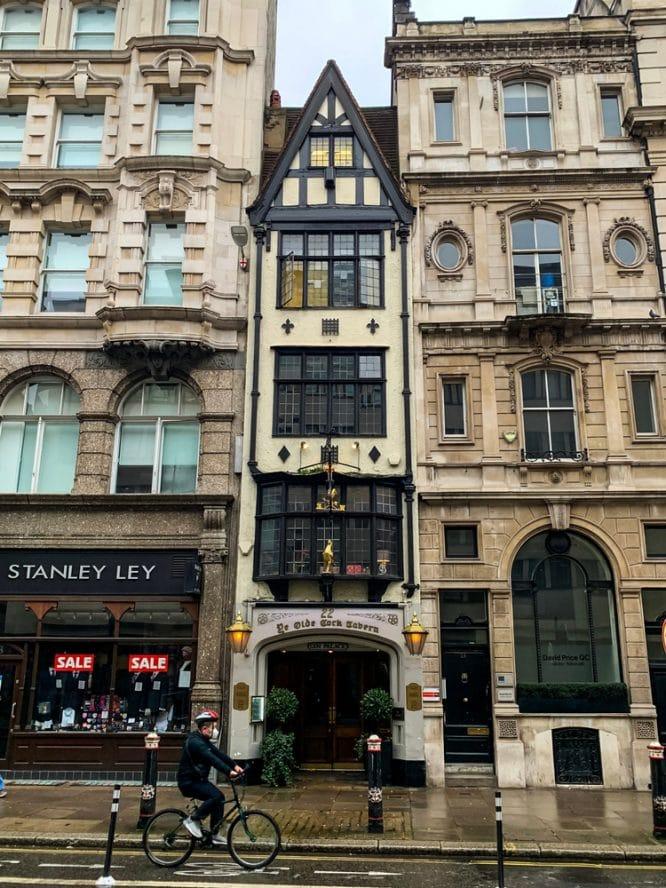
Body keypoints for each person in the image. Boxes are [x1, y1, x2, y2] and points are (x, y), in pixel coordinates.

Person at [177, 710, 243, 844]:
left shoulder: (203, 740)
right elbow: (212, 759)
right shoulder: (196, 742)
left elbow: (218, 754)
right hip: (188, 782)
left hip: (198, 780)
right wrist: (228, 771)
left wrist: (235, 766)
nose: (215, 730)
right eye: (213, 727)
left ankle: (214, 834)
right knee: (216, 796)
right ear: (204, 729)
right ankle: (193, 820)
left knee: (219, 798)